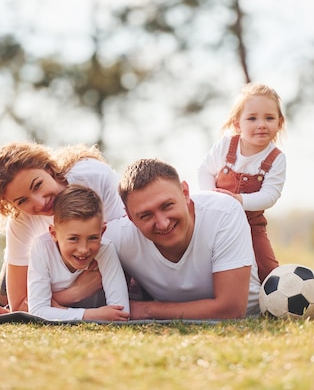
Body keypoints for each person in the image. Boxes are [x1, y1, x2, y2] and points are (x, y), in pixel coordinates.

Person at [0, 141, 125, 313]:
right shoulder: (21, 222)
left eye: (37, 185)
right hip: (50, 273)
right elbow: (20, 304)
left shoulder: (93, 177)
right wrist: (76, 292)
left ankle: (0, 299)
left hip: (95, 270)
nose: (39, 203)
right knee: (7, 298)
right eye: (22, 201)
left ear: (49, 170)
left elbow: (129, 239)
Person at [103, 158, 261, 320]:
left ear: (185, 193)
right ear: (129, 217)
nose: (163, 224)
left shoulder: (223, 212)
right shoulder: (118, 235)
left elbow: (231, 310)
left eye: (167, 206)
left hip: (250, 314)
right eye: (146, 215)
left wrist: (146, 310)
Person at [197, 83, 286, 282]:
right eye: (252, 118)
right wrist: (212, 197)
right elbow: (205, 171)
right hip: (216, 221)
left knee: (267, 266)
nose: (261, 124)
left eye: (269, 118)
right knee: (202, 260)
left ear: (280, 123)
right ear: (238, 125)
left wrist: (238, 200)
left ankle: (276, 296)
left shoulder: (276, 158)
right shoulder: (227, 145)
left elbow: (269, 196)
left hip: (251, 224)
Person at [27, 184, 130, 321]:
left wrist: (57, 310)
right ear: (53, 233)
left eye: (93, 238)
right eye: (73, 239)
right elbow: (37, 311)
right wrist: (91, 315)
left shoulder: (105, 249)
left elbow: (120, 312)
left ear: (102, 232)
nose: (83, 249)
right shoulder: (42, 248)